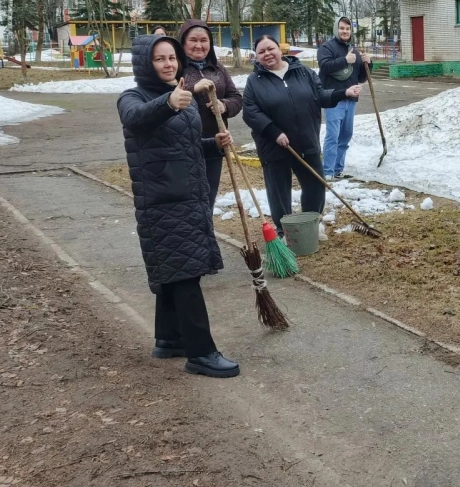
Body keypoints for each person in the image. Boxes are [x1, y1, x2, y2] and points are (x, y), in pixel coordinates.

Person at [117, 33, 240, 378]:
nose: (168, 64)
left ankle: (169, 339)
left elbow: (180, 146)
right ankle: (202, 353)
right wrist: (169, 103)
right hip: (163, 202)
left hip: (188, 195)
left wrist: (212, 144)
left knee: (178, 269)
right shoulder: (133, 98)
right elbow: (137, 119)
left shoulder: (181, 97)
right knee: (186, 276)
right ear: (145, 64)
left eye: (172, 57)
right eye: (159, 59)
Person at [243, 35, 362, 236]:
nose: (267, 54)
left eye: (270, 48)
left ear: (280, 50)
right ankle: (284, 231)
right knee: (279, 192)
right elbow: (250, 112)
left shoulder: (303, 72)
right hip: (274, 145)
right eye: (261, 52)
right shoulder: (254, 81)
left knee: (315, 186)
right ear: (257, 56)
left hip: (306, 140)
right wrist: (274, 132)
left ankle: (309, 226)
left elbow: (320, 95)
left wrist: (344, 93)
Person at [177, 19, 244, 205]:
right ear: (183, 42)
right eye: (193, 40)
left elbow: (237, 98)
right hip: (184, 147)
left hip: (215, 144)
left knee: (208, 197)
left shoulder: (218, 68)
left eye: (204, 40)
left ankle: (206, 233)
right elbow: (166, 99)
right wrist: (192, 89)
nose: (199, 45)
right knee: (187, 201)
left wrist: (224, 105)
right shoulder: (176, 68)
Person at [317, 16, 370, 179]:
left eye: (347, 29)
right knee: (333, 136)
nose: (345, 31)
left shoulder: (353, 51)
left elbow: (360, 77)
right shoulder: (327, 47)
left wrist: (368, 63)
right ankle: (327, 172)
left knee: (345, 136)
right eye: (342, 28)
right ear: (336, 29)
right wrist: (345, 60)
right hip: (333, 99)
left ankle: (338, 170)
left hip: (351, 100)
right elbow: (324, 66)